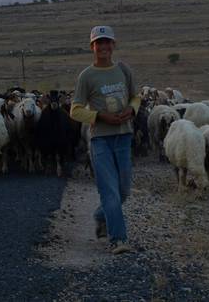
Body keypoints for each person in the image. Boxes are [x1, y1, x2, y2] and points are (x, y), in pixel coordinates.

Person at [70, 25, 140, 255]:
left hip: (124, 136)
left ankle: (101, 215)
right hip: (100, 140)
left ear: (113, 45)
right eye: (99, 43)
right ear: (92, 46)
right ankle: (118, 240)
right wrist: (99, 116)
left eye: (107, 42)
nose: (103, 47)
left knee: (124, 191)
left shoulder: (123, 70)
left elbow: (135, 96)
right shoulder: (86, 76)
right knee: (109, 191)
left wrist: (132, 109)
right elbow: (75, 111)